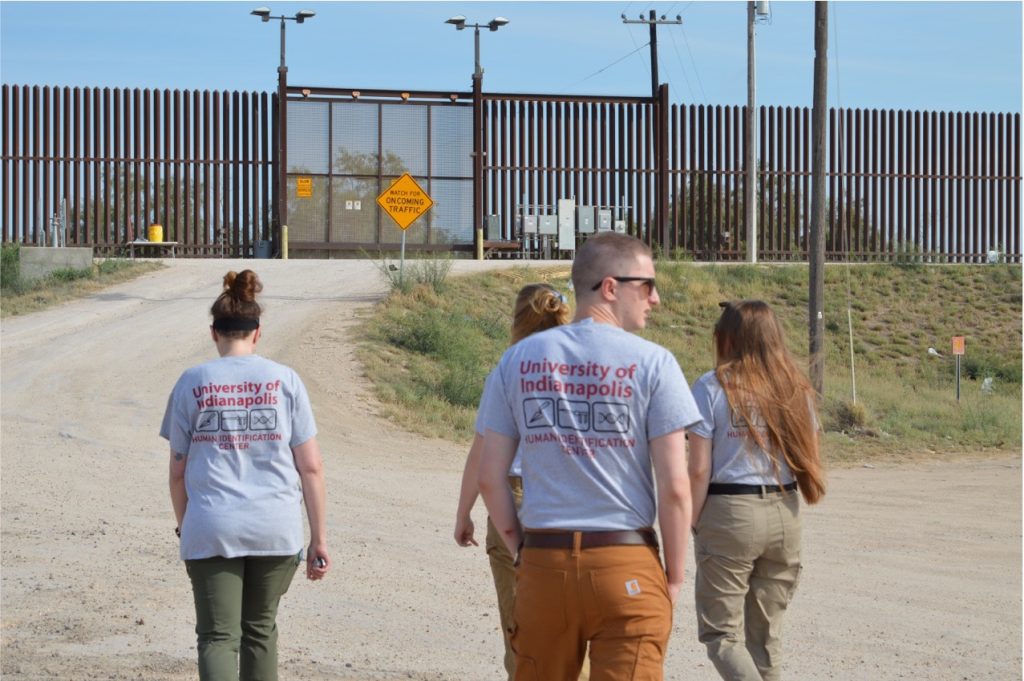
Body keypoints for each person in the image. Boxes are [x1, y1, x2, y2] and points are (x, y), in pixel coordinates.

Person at [478, 232, 702, 681]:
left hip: (544, 561)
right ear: (610, 287)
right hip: (626, 561)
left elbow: (489, 476)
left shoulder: (517, 361)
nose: (655, 299)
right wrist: (673, 578)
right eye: (647, 285)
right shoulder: (655, 363)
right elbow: (676, 488)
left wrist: (521, 551)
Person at [161, 269, 330, 681]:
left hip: (212, 526)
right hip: (275, 528)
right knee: (260, 632)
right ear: (257, 333)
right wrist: (319, 540)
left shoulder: (192, 382)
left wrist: (188, 526)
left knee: (218, 637)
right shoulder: (285, 380)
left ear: (214, 332)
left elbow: (178, 474)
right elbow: (310, 467)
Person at [687, 300, 827, 681]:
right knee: (765, 638)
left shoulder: (712, 385)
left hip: (731, 510)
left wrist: (695, 519)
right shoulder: (796, 387)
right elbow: (810, 455)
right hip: (785, 511)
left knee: (721, 634)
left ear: (730, 338)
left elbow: (698, 468)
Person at [453, 283, 576, 681]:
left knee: (520, 628)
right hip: (575, 499)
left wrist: (464, 513)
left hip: (518, 498)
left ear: (518, 320)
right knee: (574, 624)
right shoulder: (586, 368)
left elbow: (482, 453)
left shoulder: (509, 369)